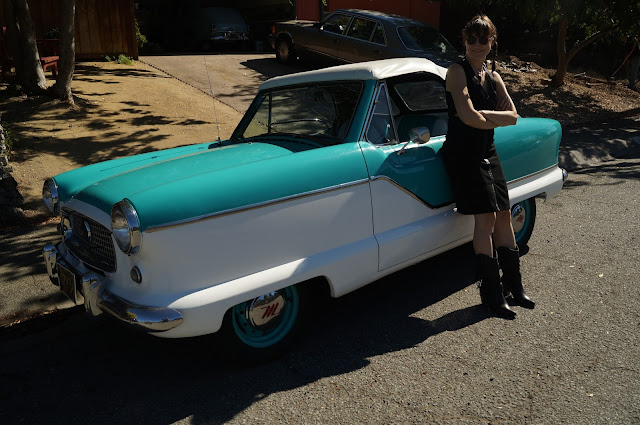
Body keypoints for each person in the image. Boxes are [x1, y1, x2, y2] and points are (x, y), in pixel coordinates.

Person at [440, 15, 535, 319]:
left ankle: (514, 287)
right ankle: (492, 296)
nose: (478, 45)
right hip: (464, 154)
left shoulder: (493, 76)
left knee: (505, 214)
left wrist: (486, 116)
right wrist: (494, 117)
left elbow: (514, 115)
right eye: (473, 39)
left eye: (484, 39)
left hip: (486, 149)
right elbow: (468, 118)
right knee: (486, 220)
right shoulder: (456, 72)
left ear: (493, 41)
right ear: (464, 40)